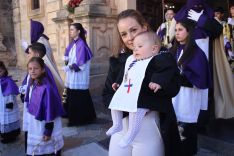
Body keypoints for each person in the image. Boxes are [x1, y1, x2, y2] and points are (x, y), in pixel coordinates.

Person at [104, 9, 181, 156]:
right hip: (122, 129)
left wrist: (144, 101)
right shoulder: (117, 61)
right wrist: (121, 97)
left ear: (144, 27)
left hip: (149, 127)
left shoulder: (160, 56)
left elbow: (173, 88)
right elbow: (107, 94)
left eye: (134, 30)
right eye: (124, 34)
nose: (130, 38)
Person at [170, 19, 212, 156]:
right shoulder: (173, 50)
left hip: (188, 97)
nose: (177, 33)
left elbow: (200, 78)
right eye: (176, 30)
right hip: (174, 96)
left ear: (189, 32)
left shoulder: (197, 52)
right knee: (174, 132)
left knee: (187, 132)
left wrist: (182, 75)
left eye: (180, 30)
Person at [20, 42, 61, 153]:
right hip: (35, 117)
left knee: (44, 145)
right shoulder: (35, 75)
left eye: (29, 53)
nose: (27, 55)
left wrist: (48, 130)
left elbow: (49, 106)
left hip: (43, 119)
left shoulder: (45, 85)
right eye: (30, 69)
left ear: (37, 54)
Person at [63, 23, 96, 126]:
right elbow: (69, 56)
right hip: (73, 76)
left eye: (72, 30)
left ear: (78, 31)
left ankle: (78, 119)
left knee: (78, 96)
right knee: (72, 94)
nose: (70, 32)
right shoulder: (73, 43)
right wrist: (66, 62)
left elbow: (81, 64)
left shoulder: (81, 44)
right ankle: (71, 115)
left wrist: (70, 67)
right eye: (70, 29)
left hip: (79, 76)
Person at [22, 19, 64, 96]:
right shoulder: (41, 39)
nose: (31, 32)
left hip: (43, 67)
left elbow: (41, 55)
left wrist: (28, 49)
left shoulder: (41, 40)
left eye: (32, 29)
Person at [0, 61, 20, 144]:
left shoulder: (8, 81)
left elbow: (10, 93)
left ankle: (10, 136)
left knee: (8, 119)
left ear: (4, 70)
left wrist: (9, 103)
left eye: (0, 71)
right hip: (1, 104)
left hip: (7, 104)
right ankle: (4, 133)